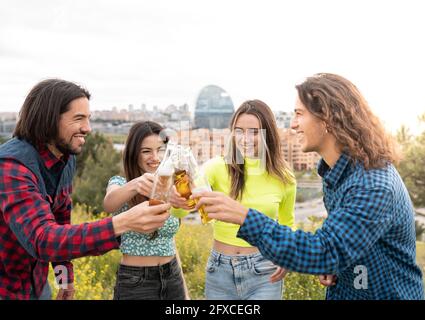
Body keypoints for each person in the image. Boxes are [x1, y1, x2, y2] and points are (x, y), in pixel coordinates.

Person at [193, 73, 425, 300]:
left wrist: (244, 216)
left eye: (299, 114)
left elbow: (325, 250)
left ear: (328, 118)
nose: (293, 124)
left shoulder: (372, 185)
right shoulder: (338, 173)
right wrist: (340, 267)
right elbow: (345, 241)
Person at [0, 79, 170, 300]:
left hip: (37, 283)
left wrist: (64, 276)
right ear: (49, 119)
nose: (88, 128)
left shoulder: (65, 157)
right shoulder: (11, 167)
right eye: (79, 118)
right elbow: (42, 239)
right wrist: (123, 222)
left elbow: (59, 217)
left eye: (88, 118)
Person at [171, 100, 296, 300]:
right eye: (239, 131)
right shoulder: (215, 167)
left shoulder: (285, 177)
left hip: (265, 269)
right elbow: (181, 211)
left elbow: (287, 222)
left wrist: (287, 255)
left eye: (254, 132)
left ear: (268, 134)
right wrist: (178, 200)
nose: (245, 138)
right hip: (220, 272)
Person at [103, 121, 189, 300]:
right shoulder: (121, 183)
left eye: (160, 150)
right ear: (134, 154)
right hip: (136, 282)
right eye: (146, 151)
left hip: (172, 277)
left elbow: (169, 242)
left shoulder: (172, 186)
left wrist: (184, 291)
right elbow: (109, 203)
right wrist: (136, 184)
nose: (155, 157)